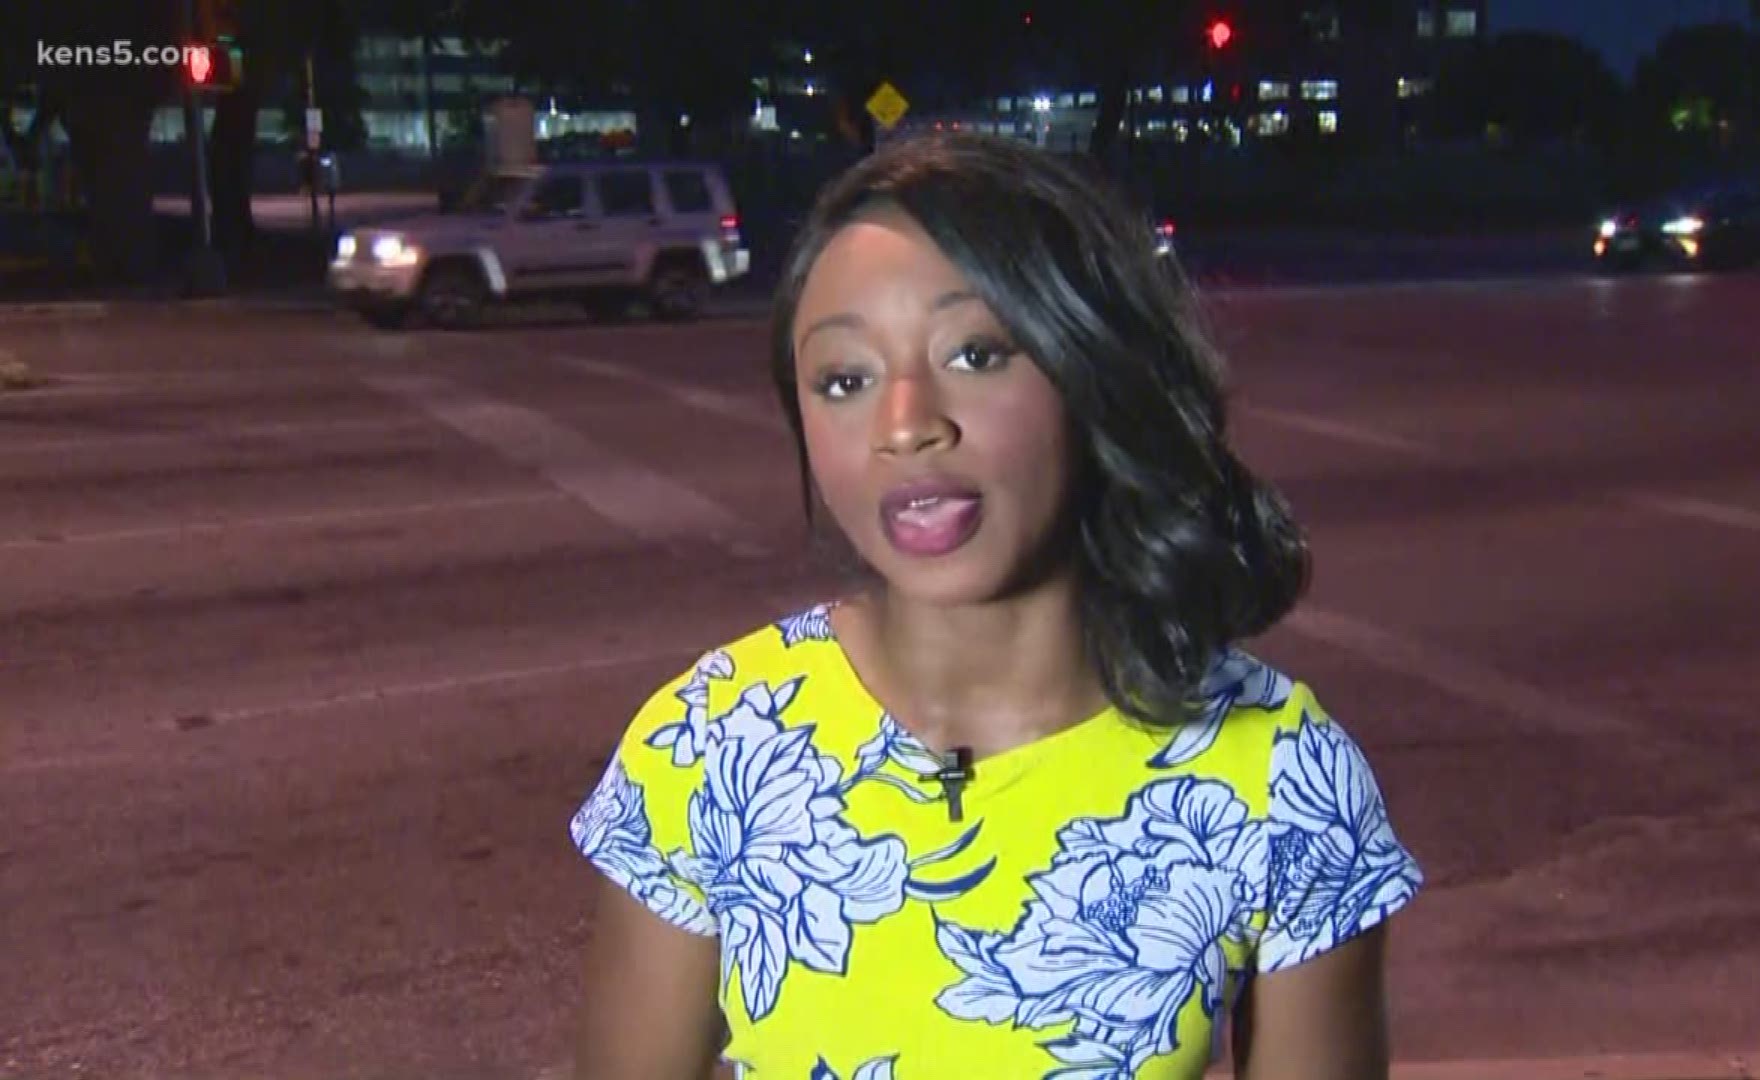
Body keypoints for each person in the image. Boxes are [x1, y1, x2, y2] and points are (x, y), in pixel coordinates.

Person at [568, 132, 1423, 1080]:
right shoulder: (709, 746)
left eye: (975, 353)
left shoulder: (1282, 779)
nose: (905, 424)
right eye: (844, 380)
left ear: (1092, 372)